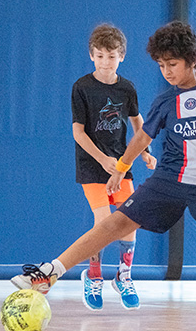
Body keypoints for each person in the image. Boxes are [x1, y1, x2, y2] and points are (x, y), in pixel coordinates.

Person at [11, 21, 196, 331]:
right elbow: (142, 136)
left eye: (173, 64)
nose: (166, 71)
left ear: (192, 59)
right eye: (161, 65)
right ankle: (50, 272)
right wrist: (120, 167)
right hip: (168, 179)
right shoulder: (165, 101)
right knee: (113, 224)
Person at [67, 23, 156, 311]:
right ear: (92, 56)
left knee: (129, 220)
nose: (106, 62)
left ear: (122, 57)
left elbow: (137, 123)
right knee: (104, 222)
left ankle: (123, 275)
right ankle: (94, 276)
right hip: (92, 166)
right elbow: (78, 132)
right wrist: (101, 159)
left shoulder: (126, 88)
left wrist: (145, 151)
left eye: (112, 56)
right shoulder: (82, 87)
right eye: (101, 56)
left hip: (120, 164)